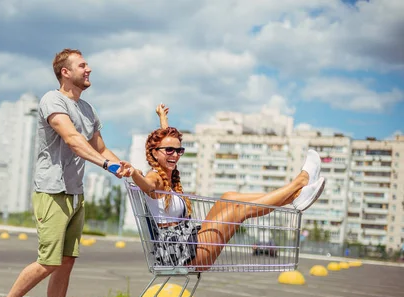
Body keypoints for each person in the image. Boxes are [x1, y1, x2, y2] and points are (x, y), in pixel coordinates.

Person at [0, 49, 132, 297]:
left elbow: (100, 147)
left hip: (75, 192)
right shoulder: (52, 101)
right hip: (51, 191)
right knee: (48, 260)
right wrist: (106, 166)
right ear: (65, 72)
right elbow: (73, 140)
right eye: (82, 65)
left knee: (65, 263)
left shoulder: (89, 110)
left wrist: (124, 167)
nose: (89, 69)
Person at [128, 103, 326, 267]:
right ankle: (299, 184)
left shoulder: (168, 174)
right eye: (169, 150)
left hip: (187, 243)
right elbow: (147, 186)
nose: (175, 155)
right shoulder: (154, 177)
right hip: (180, 253)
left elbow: (165, 141)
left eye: (179, 151)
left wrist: (163, 118)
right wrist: (134, 173)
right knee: (237, 211)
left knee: (229, 197)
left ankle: (295, 195)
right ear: (154, 153)